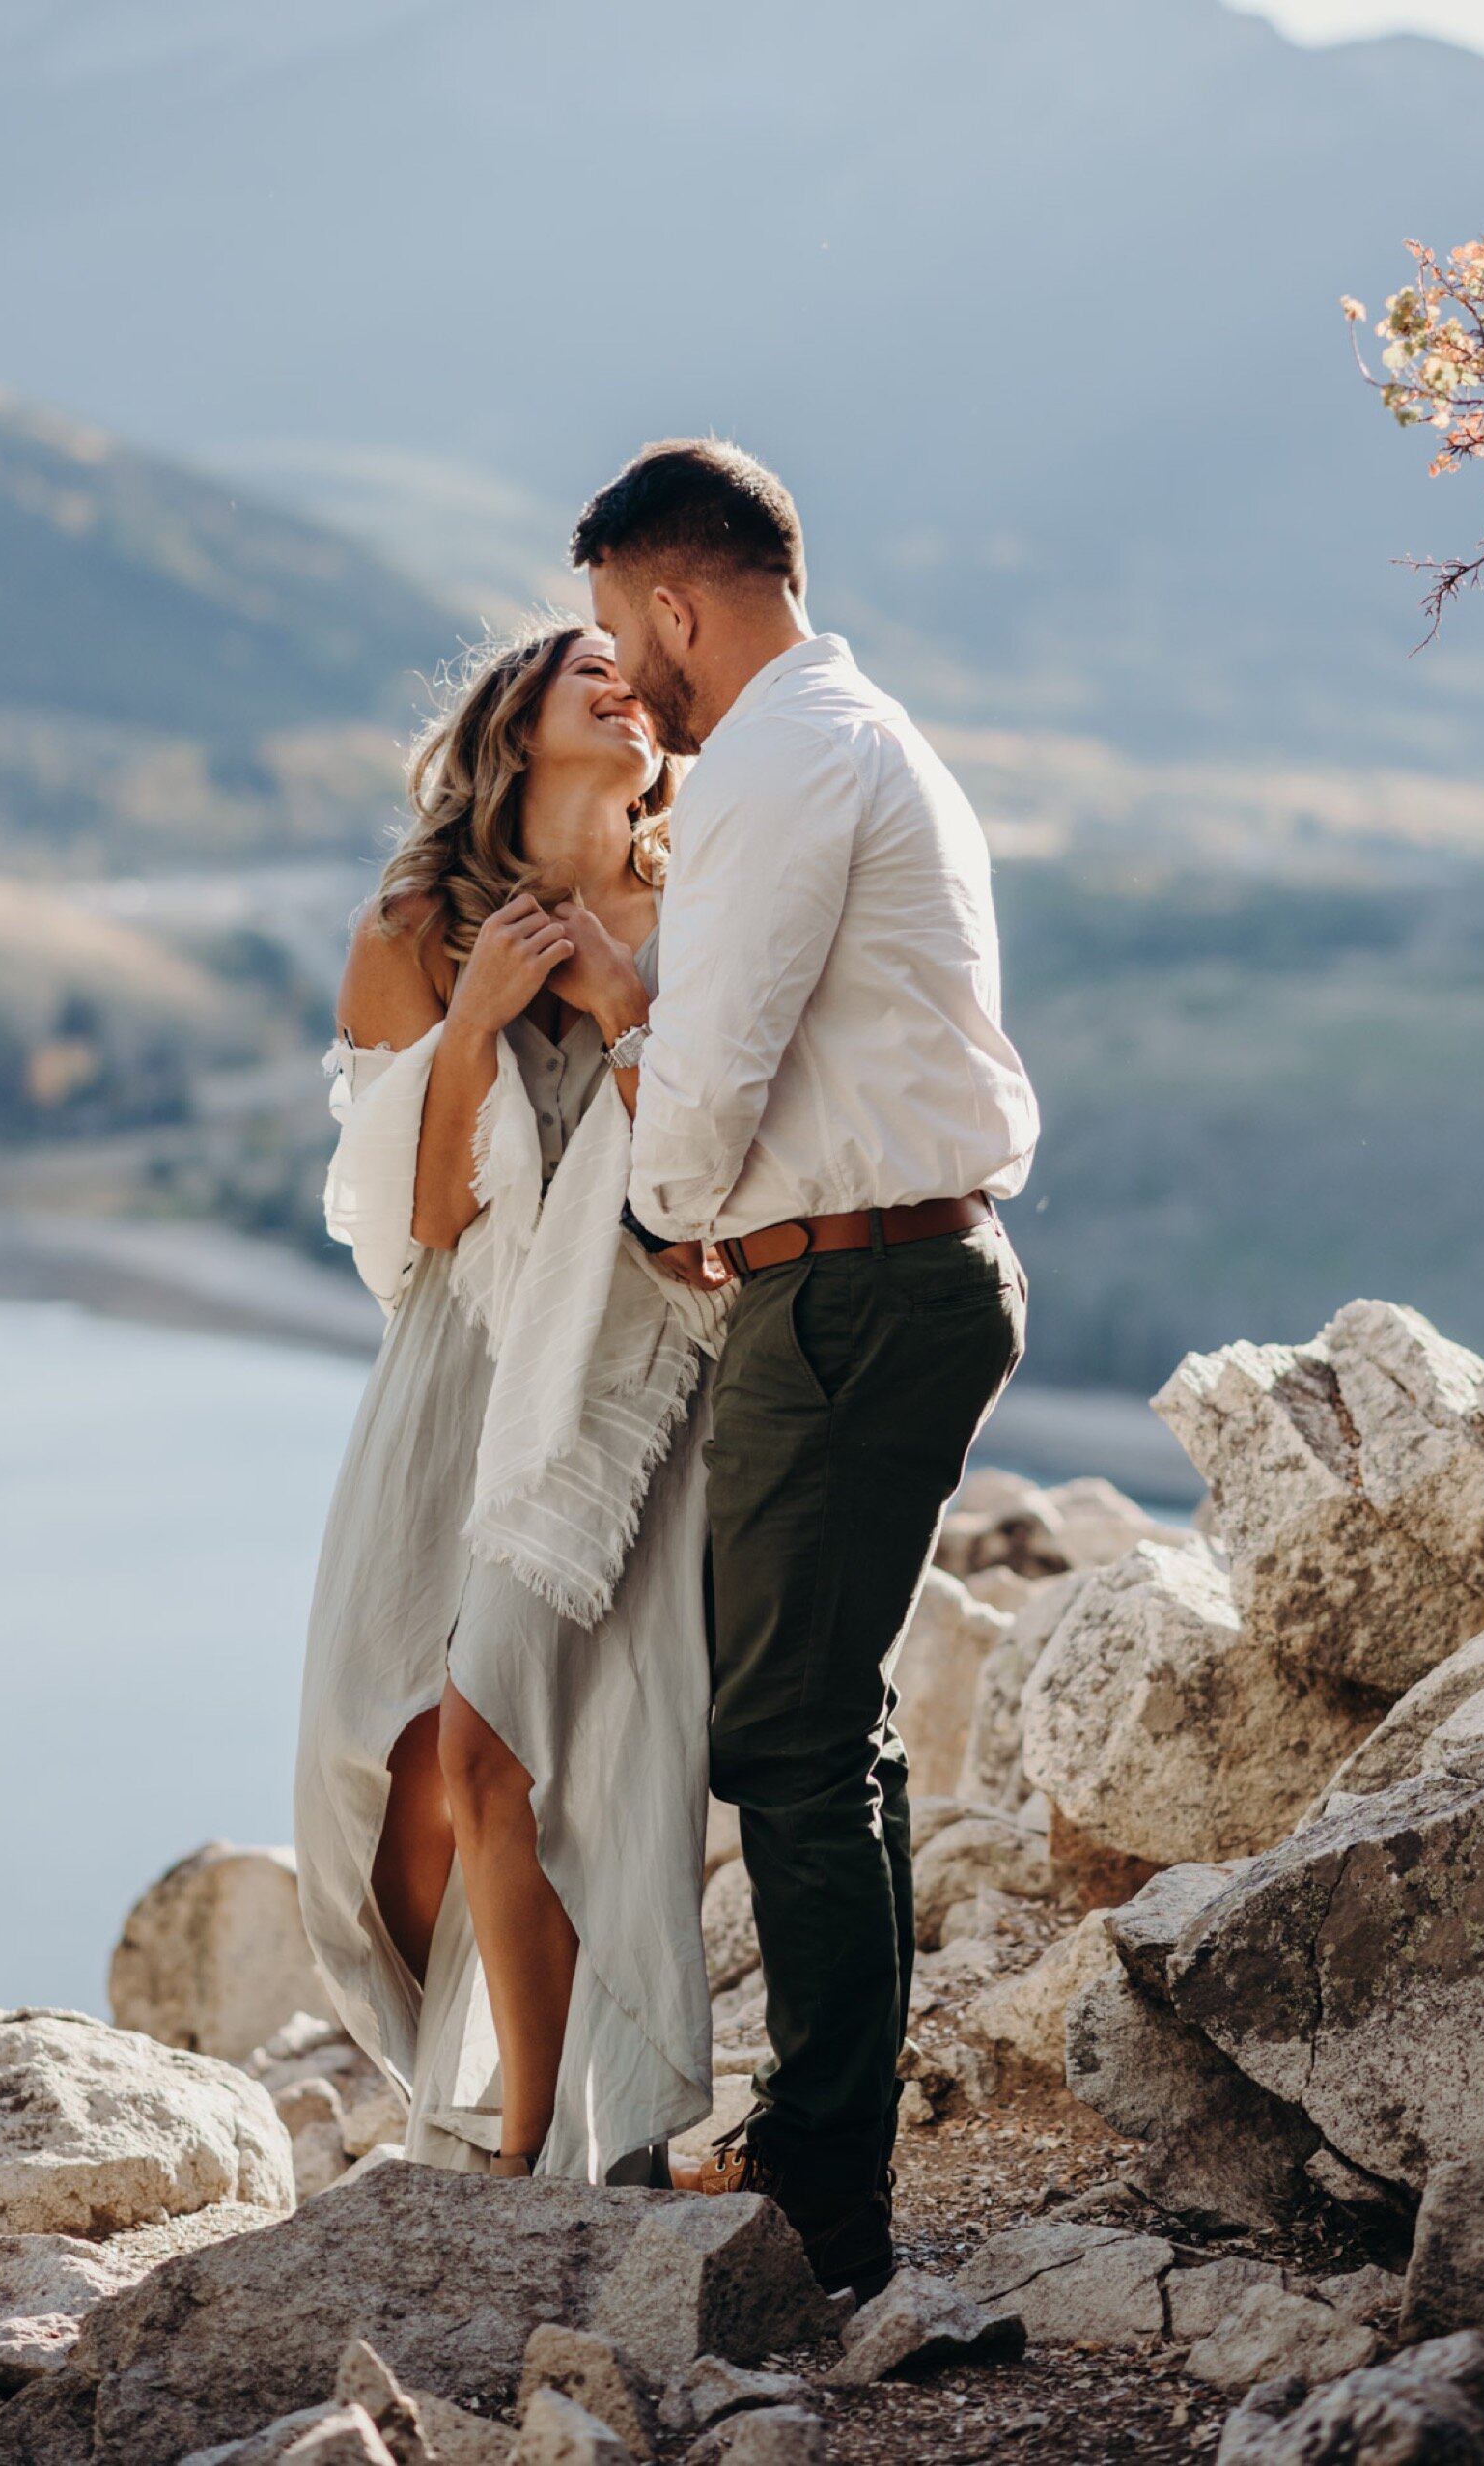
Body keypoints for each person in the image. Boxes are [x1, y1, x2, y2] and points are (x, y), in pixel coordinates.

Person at [569, 440, 1039, 2295]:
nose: (631, 672)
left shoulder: (775, 756)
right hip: (896, 1274)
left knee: (779, 1734)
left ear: (680, 598)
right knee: (823, 1721)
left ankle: (826, 2190)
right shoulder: (863, 728)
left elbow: (716, 1056)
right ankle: (827, 2146)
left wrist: (661, 1209)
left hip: (849, 1295)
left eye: (625, 628)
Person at [294, 617, 730, 2188]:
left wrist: (628, 1005)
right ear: (515, 719)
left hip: (626, 1382)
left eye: (640, 673)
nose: (625, 685)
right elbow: (412, 1225)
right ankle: (460, 2082)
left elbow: (718, 1169)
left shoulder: (701, 909)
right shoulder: (412, 926)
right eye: (583, 668)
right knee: (394, 1760)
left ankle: (537, 2152)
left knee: (551, 1753)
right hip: (459, 1366)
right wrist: (476, 1018)